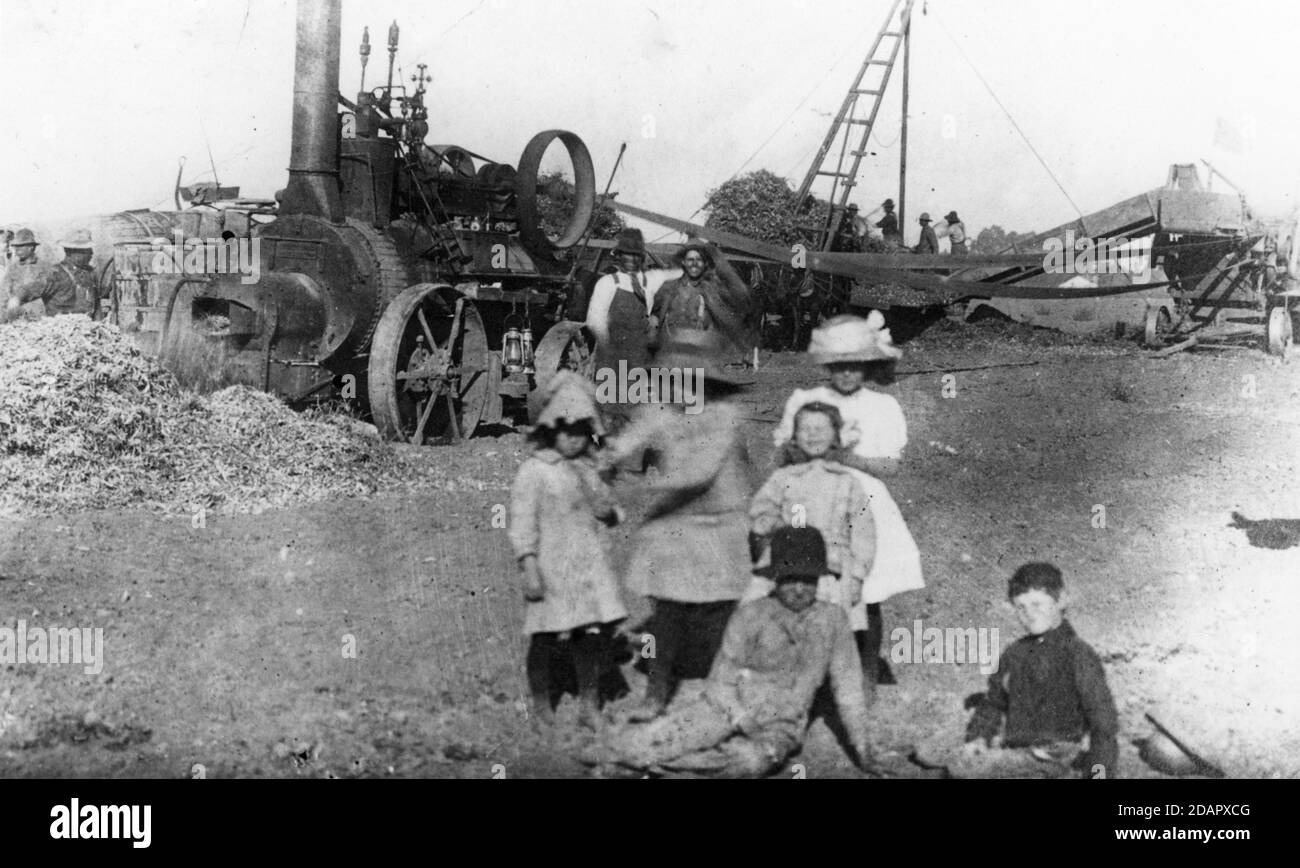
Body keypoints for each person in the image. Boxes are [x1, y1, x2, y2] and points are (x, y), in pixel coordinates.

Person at [580, 526, 874, 778]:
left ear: (819, 579)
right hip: (726, 708)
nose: (798, 589)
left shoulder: (833, 620)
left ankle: (649, 768)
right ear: (776, 578)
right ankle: (626, 755)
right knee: (663, 738)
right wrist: (742, 719)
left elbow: (848, 689)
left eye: (807, 580)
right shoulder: (752, 615)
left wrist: (863, 749)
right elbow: (720, 683)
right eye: (790, 579)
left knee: (751, 761)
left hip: (779, 724)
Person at [602, 329, 755, 721]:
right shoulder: (663, 407)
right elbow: (627, 440)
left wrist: (637, 487)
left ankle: (726, 688)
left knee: (720, 612)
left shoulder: (725, 416)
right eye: (674, 377)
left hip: (722, 522)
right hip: (678, 521)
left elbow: (696, 475)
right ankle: (656, 691)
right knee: (667, 610)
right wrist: (600, 458)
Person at [773, 312, 924, 688]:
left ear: (868, 365)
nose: (846, 374)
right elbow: (783, 453)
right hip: (814, 497)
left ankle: (865, 674)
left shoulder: (882, 406)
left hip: (864, 503)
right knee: (810, 590)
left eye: (855, 366)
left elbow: (891, 466)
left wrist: (845, 457)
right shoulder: (806, 400)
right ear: (827, 364)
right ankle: (811, 676)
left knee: (865, 595)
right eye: (839, 366)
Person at [508, 372, 628, 729]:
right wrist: (529, 566)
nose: (572, 440)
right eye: (565, 431)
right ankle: (541, 703)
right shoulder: (535, 472)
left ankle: (589, 704)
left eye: (580, 432)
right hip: (550, 567)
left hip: (586, 566)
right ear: (550, 430)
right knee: (544, 636)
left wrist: (609, 509)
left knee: (588, 637)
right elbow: (523, 523)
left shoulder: (588, 470)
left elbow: (609, 510)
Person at [748, 401, 878, 692]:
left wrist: (857, 574)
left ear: (836, 436)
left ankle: (830, 692)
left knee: (830, 630)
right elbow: (761, 510)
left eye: (821, 428)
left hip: (832, 566)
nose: (813, 435)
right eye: (805, 428)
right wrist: (769, 524)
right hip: (789, 560)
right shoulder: (783, 477)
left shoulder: (848, 482)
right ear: (793, 435)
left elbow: (864, 532)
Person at [956, 562, 1120, 778]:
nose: (1029, 614)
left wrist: (1099, 772)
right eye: (1020, 607)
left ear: (1061, 600)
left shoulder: (1077, 654)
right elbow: (994, 702)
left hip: (1056, 754)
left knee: (963, 771)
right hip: (1018, 751)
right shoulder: (1014, 653)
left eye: (1037, 604)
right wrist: (979, 737)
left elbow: (1103, 720)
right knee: (931, 754)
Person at [649, 237, 751, 356]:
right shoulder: (669, 288)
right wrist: (653, 333)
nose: (694, 263)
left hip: (699, 356)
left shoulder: (712, 290)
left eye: (699, 260)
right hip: (669, 353)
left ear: (705, 264)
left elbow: (739, 299)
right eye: (690, 259)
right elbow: (654, 315)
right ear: (683, 262)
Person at [0, 228, 55, 322]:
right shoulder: (13, 268)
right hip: (14, 313)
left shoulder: (44, 267)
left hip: (38, 316)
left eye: (20, 246)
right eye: (15, 247)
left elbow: (44, 291)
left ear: (31, 247)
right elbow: (4, 291)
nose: (17, 250)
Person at [45, 228, 100, 317]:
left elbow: (97, 304)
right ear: (70, 252)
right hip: (61, 327)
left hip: (87, 326)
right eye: (86, 251)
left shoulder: (90, 272)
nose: (92, 253)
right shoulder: (55, 273)